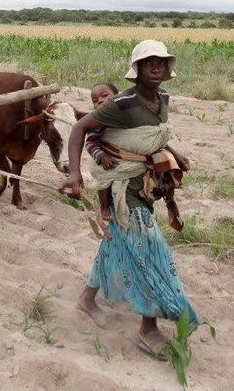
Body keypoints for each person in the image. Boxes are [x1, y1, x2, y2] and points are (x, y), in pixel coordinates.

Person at [59, 40, 195, 358]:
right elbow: (80, 129)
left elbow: (155, 134)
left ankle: (87, 299)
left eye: (161, 61)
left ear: (168, 67)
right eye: (148, 62)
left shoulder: (162, 98)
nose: (156, 67)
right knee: (150, 250)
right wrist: (75, 173)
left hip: (144, 187)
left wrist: (174, 152)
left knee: (115, 241)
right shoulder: (121, 103)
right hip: (122, 188)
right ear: (136, 70)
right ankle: (148, 329)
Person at [85, 82, 119, 231]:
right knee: (103, 176)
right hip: (105, 156)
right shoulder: (98, 120)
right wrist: (102, 157)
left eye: (105, 95)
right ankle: (104, 207)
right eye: (95, 100)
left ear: (118, 97)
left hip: (125, 155)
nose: (100, 100)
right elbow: (90, 143)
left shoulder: (126, 114)